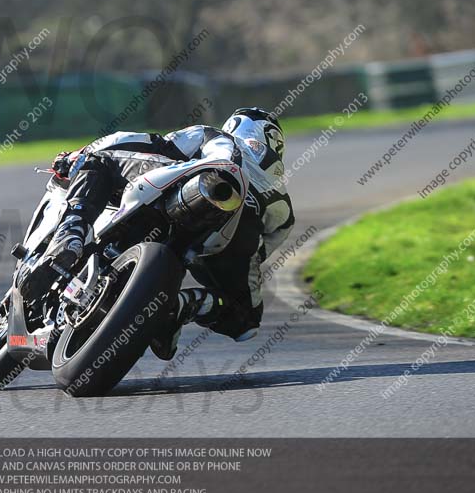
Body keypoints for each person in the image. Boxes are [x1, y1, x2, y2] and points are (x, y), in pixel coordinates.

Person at [27, 107, 294, 360]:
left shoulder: (215, 136)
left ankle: (71, 233)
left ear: (238, 125)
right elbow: (269, 243)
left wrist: (80, 154)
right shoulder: (280, 198)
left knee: (97, 160)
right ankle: (179, 307)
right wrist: (233, 258)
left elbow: (148, 143)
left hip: (185, 185)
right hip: (225, 234)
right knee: (246, 320)